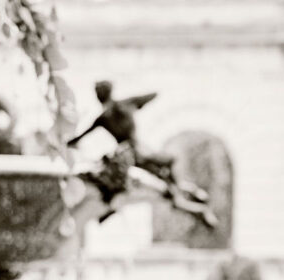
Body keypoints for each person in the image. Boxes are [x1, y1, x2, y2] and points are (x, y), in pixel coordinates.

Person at [69, 80, 218, 228]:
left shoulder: (105, 117)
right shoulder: (125, 105)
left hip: (132, 155)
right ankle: (190, 195)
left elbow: (81, 136)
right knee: (164, 177)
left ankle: (189, 196)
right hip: (139, 152)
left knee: (162, 182)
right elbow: (151, 95)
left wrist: (66, 143)